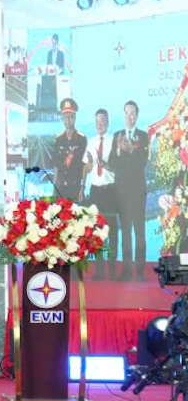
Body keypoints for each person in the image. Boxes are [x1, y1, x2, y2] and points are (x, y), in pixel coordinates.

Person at [109, 99, 149, 280]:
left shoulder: (143, 136)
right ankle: (126, 269)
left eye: (133, 113)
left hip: (138, 190)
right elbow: (112, 163)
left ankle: (140, 270)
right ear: (123, 115)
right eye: (127, 113)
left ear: (137, 115)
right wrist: (118, 150)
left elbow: (142, 162)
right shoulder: (117, 135)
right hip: (121, 192)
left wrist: (131, 149)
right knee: (125, 230)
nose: (130, 116)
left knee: (139, 230)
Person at [83, 108, 118, 279]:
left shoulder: (114, 141)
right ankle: (99, 269)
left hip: (110, 190)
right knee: (96, 231)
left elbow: (118, 168)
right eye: (97, 122)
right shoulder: (90, 142)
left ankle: (112, 269)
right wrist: (89, 164)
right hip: (95, 191)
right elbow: (87, 168)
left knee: (111, 231)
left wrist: (106, 165)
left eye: (103, 121)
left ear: (108, 122)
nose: (100, 124)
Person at [51, 97, 87, 203]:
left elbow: (84, 166)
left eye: (71, 117)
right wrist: (54, 189)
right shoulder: (58, 140)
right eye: (65, 117)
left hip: (75, 187)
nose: (68, 120)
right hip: (60, 188)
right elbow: (56, 167)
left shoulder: (81, 139)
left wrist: (82, 188)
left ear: (74, 118)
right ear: (62, 119)